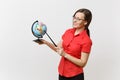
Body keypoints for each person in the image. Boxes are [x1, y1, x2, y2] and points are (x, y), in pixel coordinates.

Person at [35, 8, 92, 80]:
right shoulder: (68, 32)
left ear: (85, 22)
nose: (74, 20)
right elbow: (57, 48)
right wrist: (46, 42)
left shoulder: (87, 40)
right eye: (74, 17)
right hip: (62, 73)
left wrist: (65, 54)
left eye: (78, 19)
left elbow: (83, 63)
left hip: (75, 76)